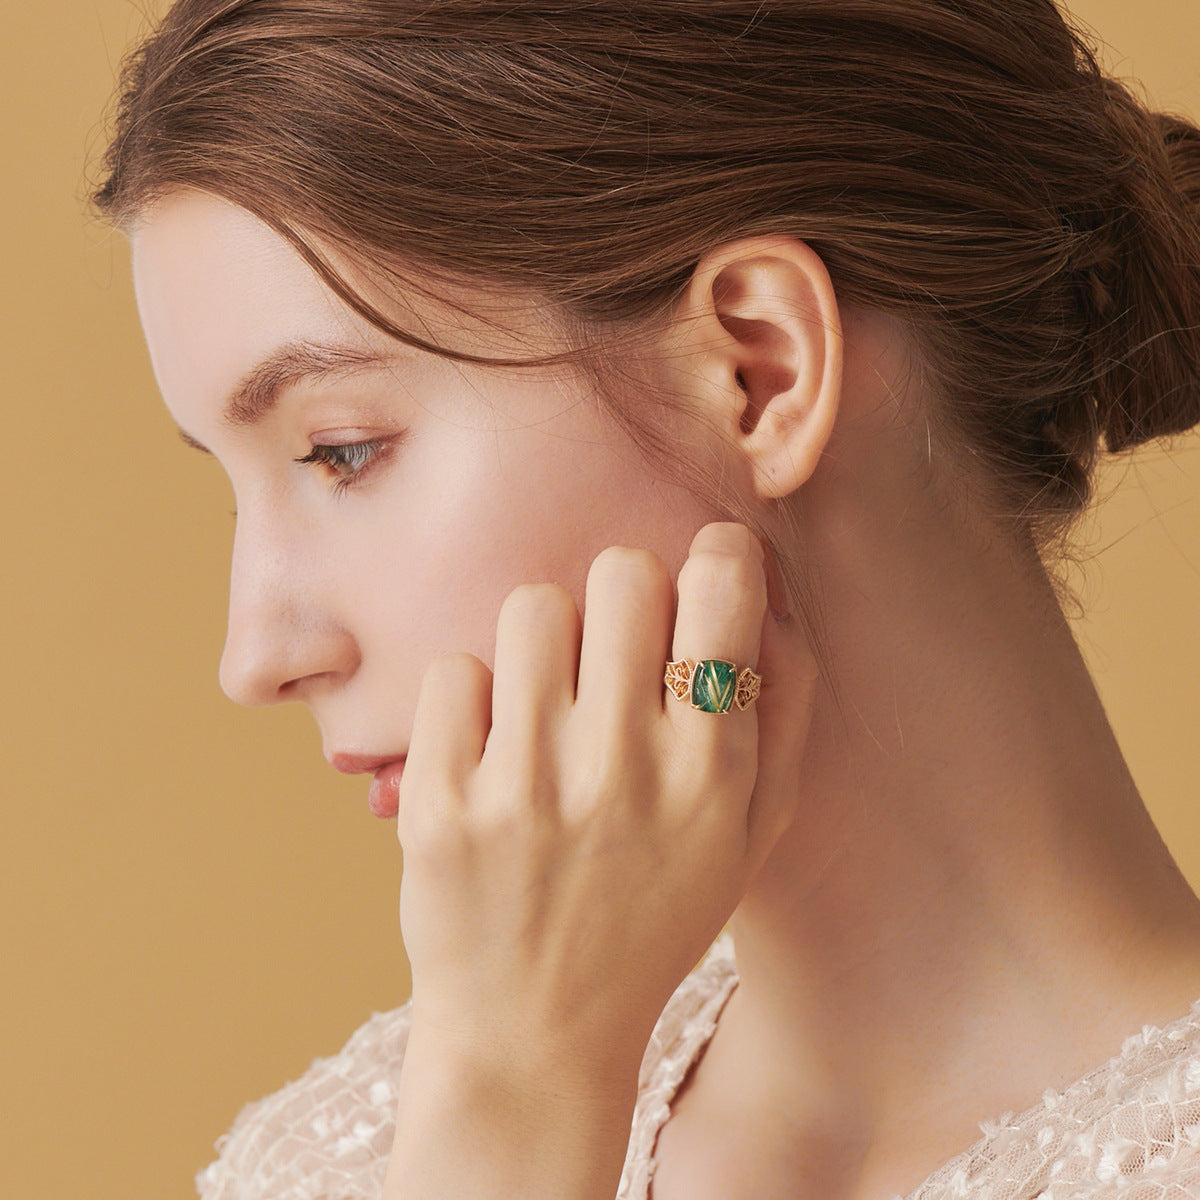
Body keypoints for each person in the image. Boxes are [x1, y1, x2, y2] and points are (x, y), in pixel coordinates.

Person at [93, 1, 1200, 1197]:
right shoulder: (347, 1152)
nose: (254, 655)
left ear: (758, 370)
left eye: (340, 451)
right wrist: (508, 1101)